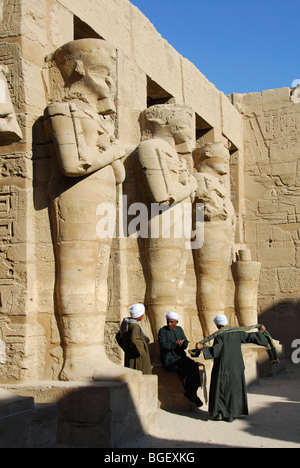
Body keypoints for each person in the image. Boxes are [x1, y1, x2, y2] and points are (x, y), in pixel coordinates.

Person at [195, 314, 269, 422]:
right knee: (234, 390)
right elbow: (250, 337)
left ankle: (220, 413)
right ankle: (232, 414)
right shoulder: (236, 332)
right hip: (237, 367)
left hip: (223, 367)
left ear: (217, 325)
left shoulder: (220, 336)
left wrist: (203, 349)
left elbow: (215, 351)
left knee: (222, 390)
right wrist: (260, 333)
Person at [158, 312, 202, 407]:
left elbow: (185, 343)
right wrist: (175, 344)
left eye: (171, 322)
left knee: (194, 366)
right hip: (170, 360)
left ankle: (193, 391)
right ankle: (191, 395)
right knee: (183, 370)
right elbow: (163, 345)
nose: (169, 324)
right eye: (168, 322)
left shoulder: (179, 329)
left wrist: (184, 343)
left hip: (180, 357)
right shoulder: (162, 331)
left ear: (176, 322)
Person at [116, 303, 152, 375]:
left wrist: (126, 348)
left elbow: (118, 337)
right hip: (138, 359)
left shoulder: (127, 323)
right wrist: (141, 349)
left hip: (130, 356)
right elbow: (134, 339)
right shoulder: (134, 326)